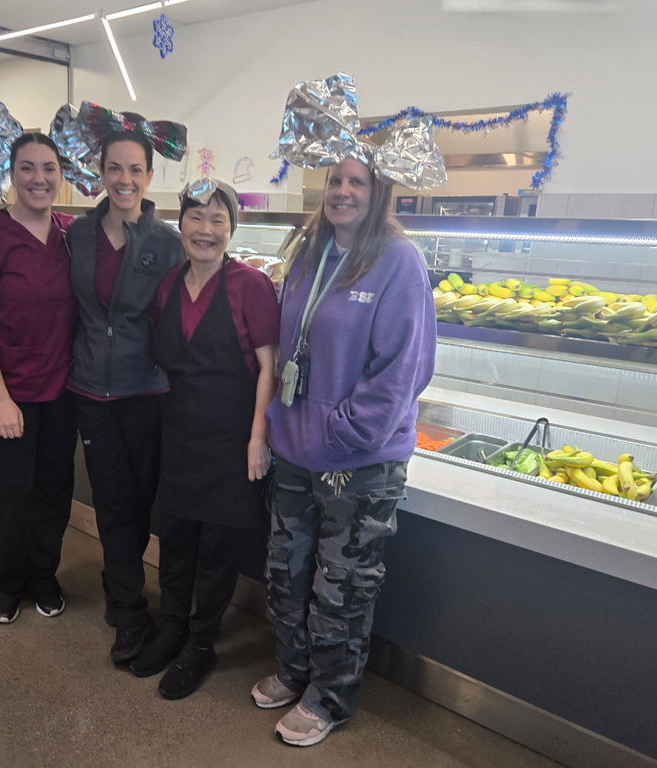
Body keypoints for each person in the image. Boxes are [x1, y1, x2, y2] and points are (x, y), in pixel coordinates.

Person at [252, 155, 437, 745]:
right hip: (295, 450)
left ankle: (329, 697)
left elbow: (403, 369)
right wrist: (286, 425)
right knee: (285, 572)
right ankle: (294, 670)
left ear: (378, 191)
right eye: (335, 180)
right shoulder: (310, 250)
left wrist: (342, 432)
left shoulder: (398, 261)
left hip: (357, 461)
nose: (342, 191)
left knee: (342, 586)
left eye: (357, 182)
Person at [128, 180, 279, 699]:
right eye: (196, 217)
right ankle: (172, 625)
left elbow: (268, 367)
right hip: (180, 432)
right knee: (176, 537)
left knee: (217, 547)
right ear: (181, 224)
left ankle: (200, 642)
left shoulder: (250, 286)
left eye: (218, 220)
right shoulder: (168, 286)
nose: (206, 230)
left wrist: (258, 437)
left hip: (234, 436)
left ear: (232, 229)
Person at [65, 130, 184, 664]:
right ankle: (130, 609)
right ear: (101, 172)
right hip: (91, 389)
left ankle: (121, 588)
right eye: (115, 169)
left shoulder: (166, 242)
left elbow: (188, 311)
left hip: (149, 390)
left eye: (136, 170)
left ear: (150, 177)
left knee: (140, 500)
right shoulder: (76, 236)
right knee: (113, 499)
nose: (125, 180)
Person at [0, 132, 77, 625]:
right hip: (9, 392)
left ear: (60, 175)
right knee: (11, 494)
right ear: (12, 173)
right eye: (27, 168)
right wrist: (1, 399)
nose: (39, 179)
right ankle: (7, 585)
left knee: (53, 491)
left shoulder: (68, 234)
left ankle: (44, 575)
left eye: (48, 168)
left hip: (61, 390)